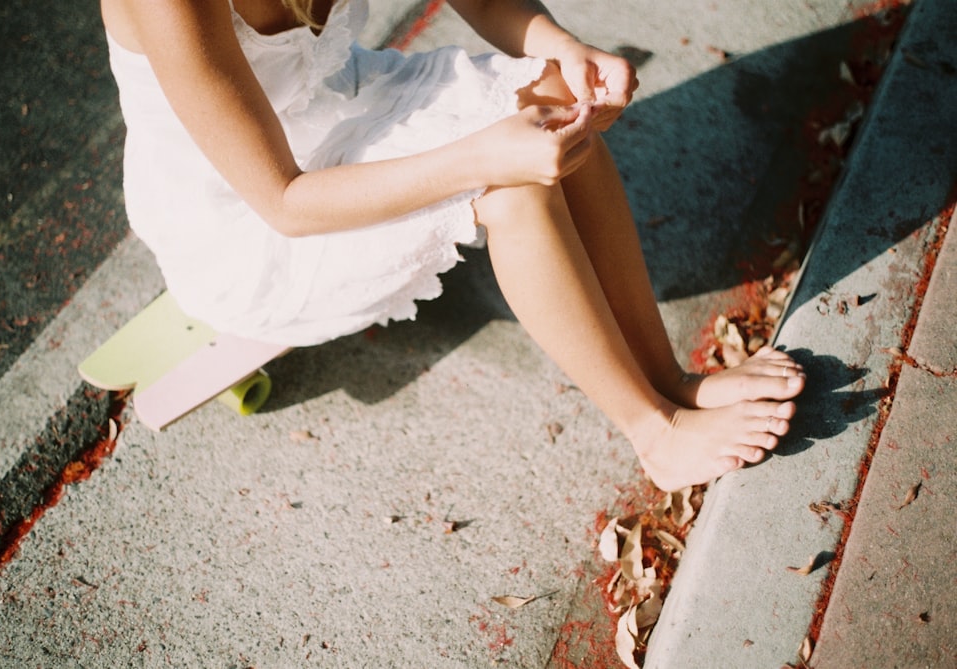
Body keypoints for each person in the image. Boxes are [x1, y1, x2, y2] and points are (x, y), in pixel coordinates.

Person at [100, 0, 805, 491]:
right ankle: (654, 433)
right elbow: (284, 201)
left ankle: (669, 379)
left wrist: (564, 48)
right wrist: (480, 158)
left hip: (342, 108)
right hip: (246, 223)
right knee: (507, 185)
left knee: (560, 99)